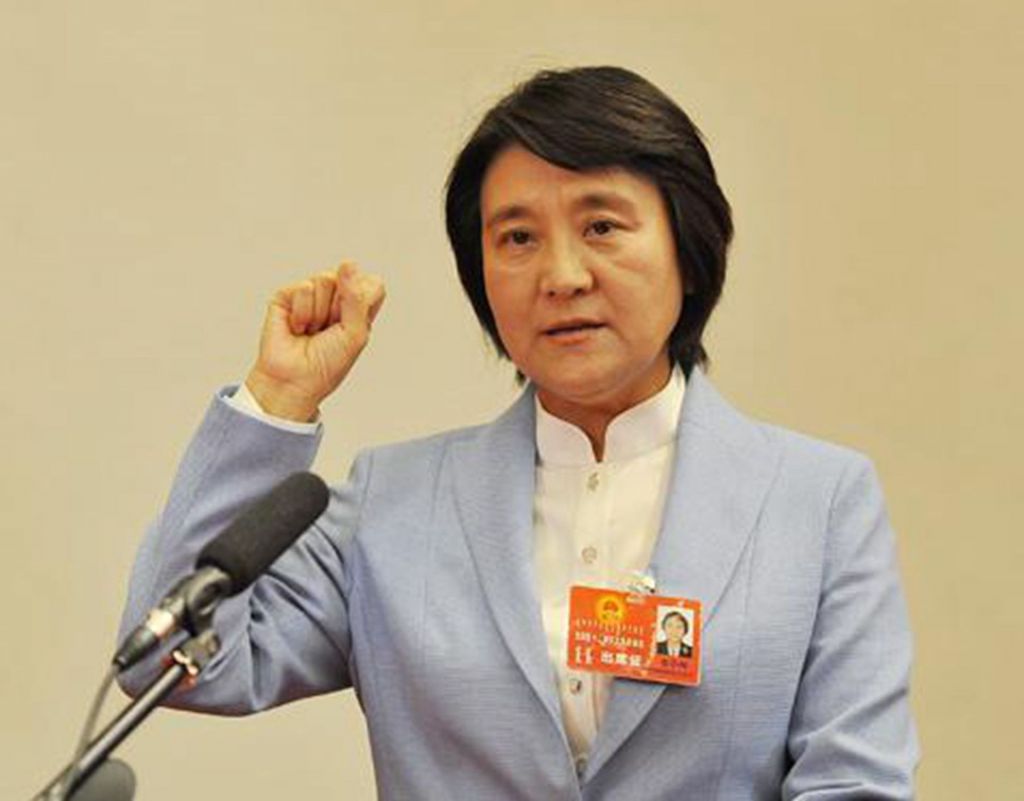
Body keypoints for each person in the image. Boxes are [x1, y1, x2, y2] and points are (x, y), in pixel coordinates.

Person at [118, 66, 919, 798]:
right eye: (517, 238)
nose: (562, 275)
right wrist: (278, 398)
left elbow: (856, 784)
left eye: (602, 226)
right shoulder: (392, 505)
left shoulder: (817, 501)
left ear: (688, 245)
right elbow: (172, 660)